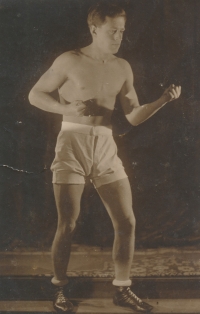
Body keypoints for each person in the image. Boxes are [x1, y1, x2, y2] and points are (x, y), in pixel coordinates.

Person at [29, 1, 181, 312]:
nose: (118, 37)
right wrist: (65, 108)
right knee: (67, 224)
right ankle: (59, 289)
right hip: (71, 144)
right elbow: (35, 94)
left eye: (122, 32)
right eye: (112, 31)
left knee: (126, 221)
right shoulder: (69, 60)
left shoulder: (122, 67)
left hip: (105, 146)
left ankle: (122, 289)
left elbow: (134, 116)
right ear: (94, 29)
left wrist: (164, 100)